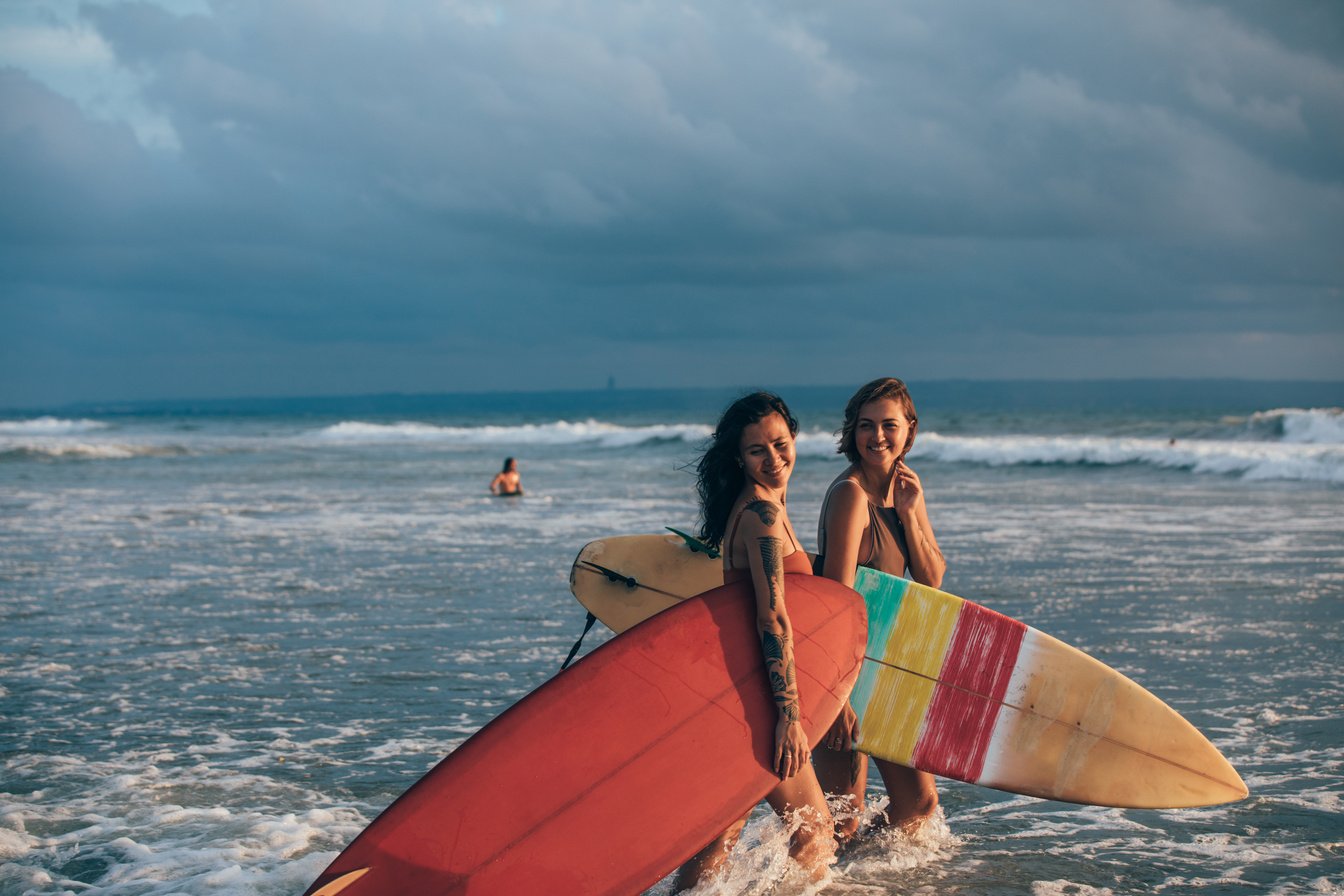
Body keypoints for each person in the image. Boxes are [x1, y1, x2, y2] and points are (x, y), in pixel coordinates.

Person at [674, 392, 837, 890]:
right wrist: (788, 716)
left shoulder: (760, 507)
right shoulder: (761, 518)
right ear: (738, 459)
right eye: (756, 451)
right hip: (759, 699)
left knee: (722, 834)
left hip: (739, 689)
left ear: (794, 438)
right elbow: (772, 619)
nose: (773, 458)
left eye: (780, 444)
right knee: (814, 831)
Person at [813, 377, 946, 843]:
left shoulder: (904, 488)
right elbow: (835, 601)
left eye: (889, 425)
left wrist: (911, 513)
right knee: (840, 823)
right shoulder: (851, 496)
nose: (877, 436)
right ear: (852, 433)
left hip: (888, 665)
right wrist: (837, 696)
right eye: (865, 425)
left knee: (918, 805)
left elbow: (933, 578)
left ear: (910, 429)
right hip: (845, 670)